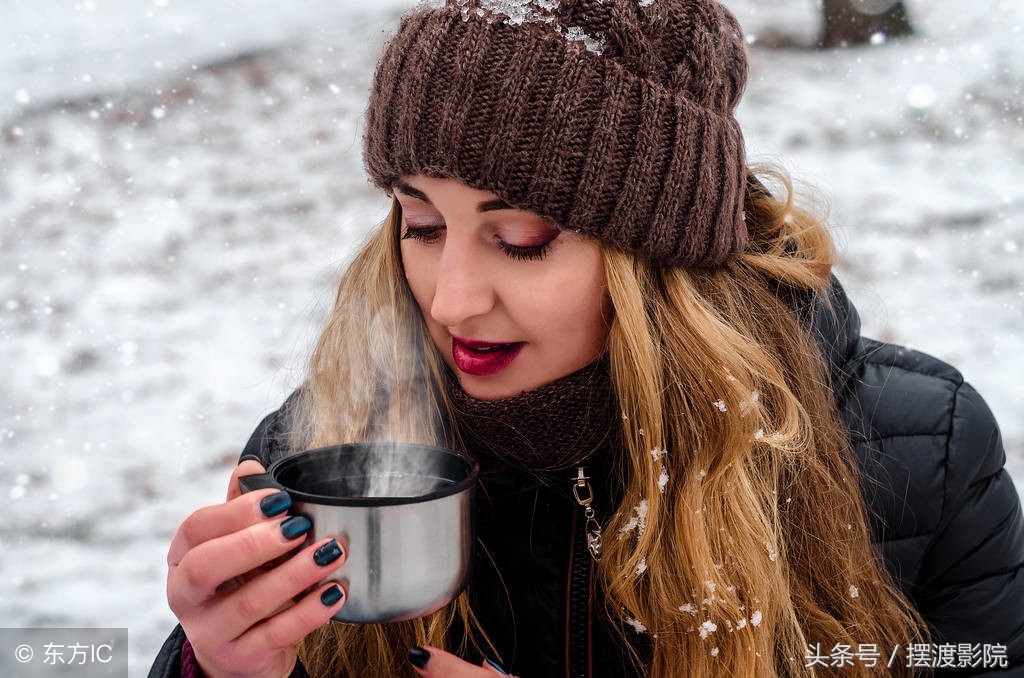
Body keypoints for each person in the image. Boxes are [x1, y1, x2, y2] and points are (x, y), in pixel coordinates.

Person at [150, 0, 1024, 676]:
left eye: (521, 240)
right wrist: (221, 663)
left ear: (657, 257)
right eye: (419, 224)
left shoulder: (916, 453)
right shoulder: (319, 452)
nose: (450, 302)